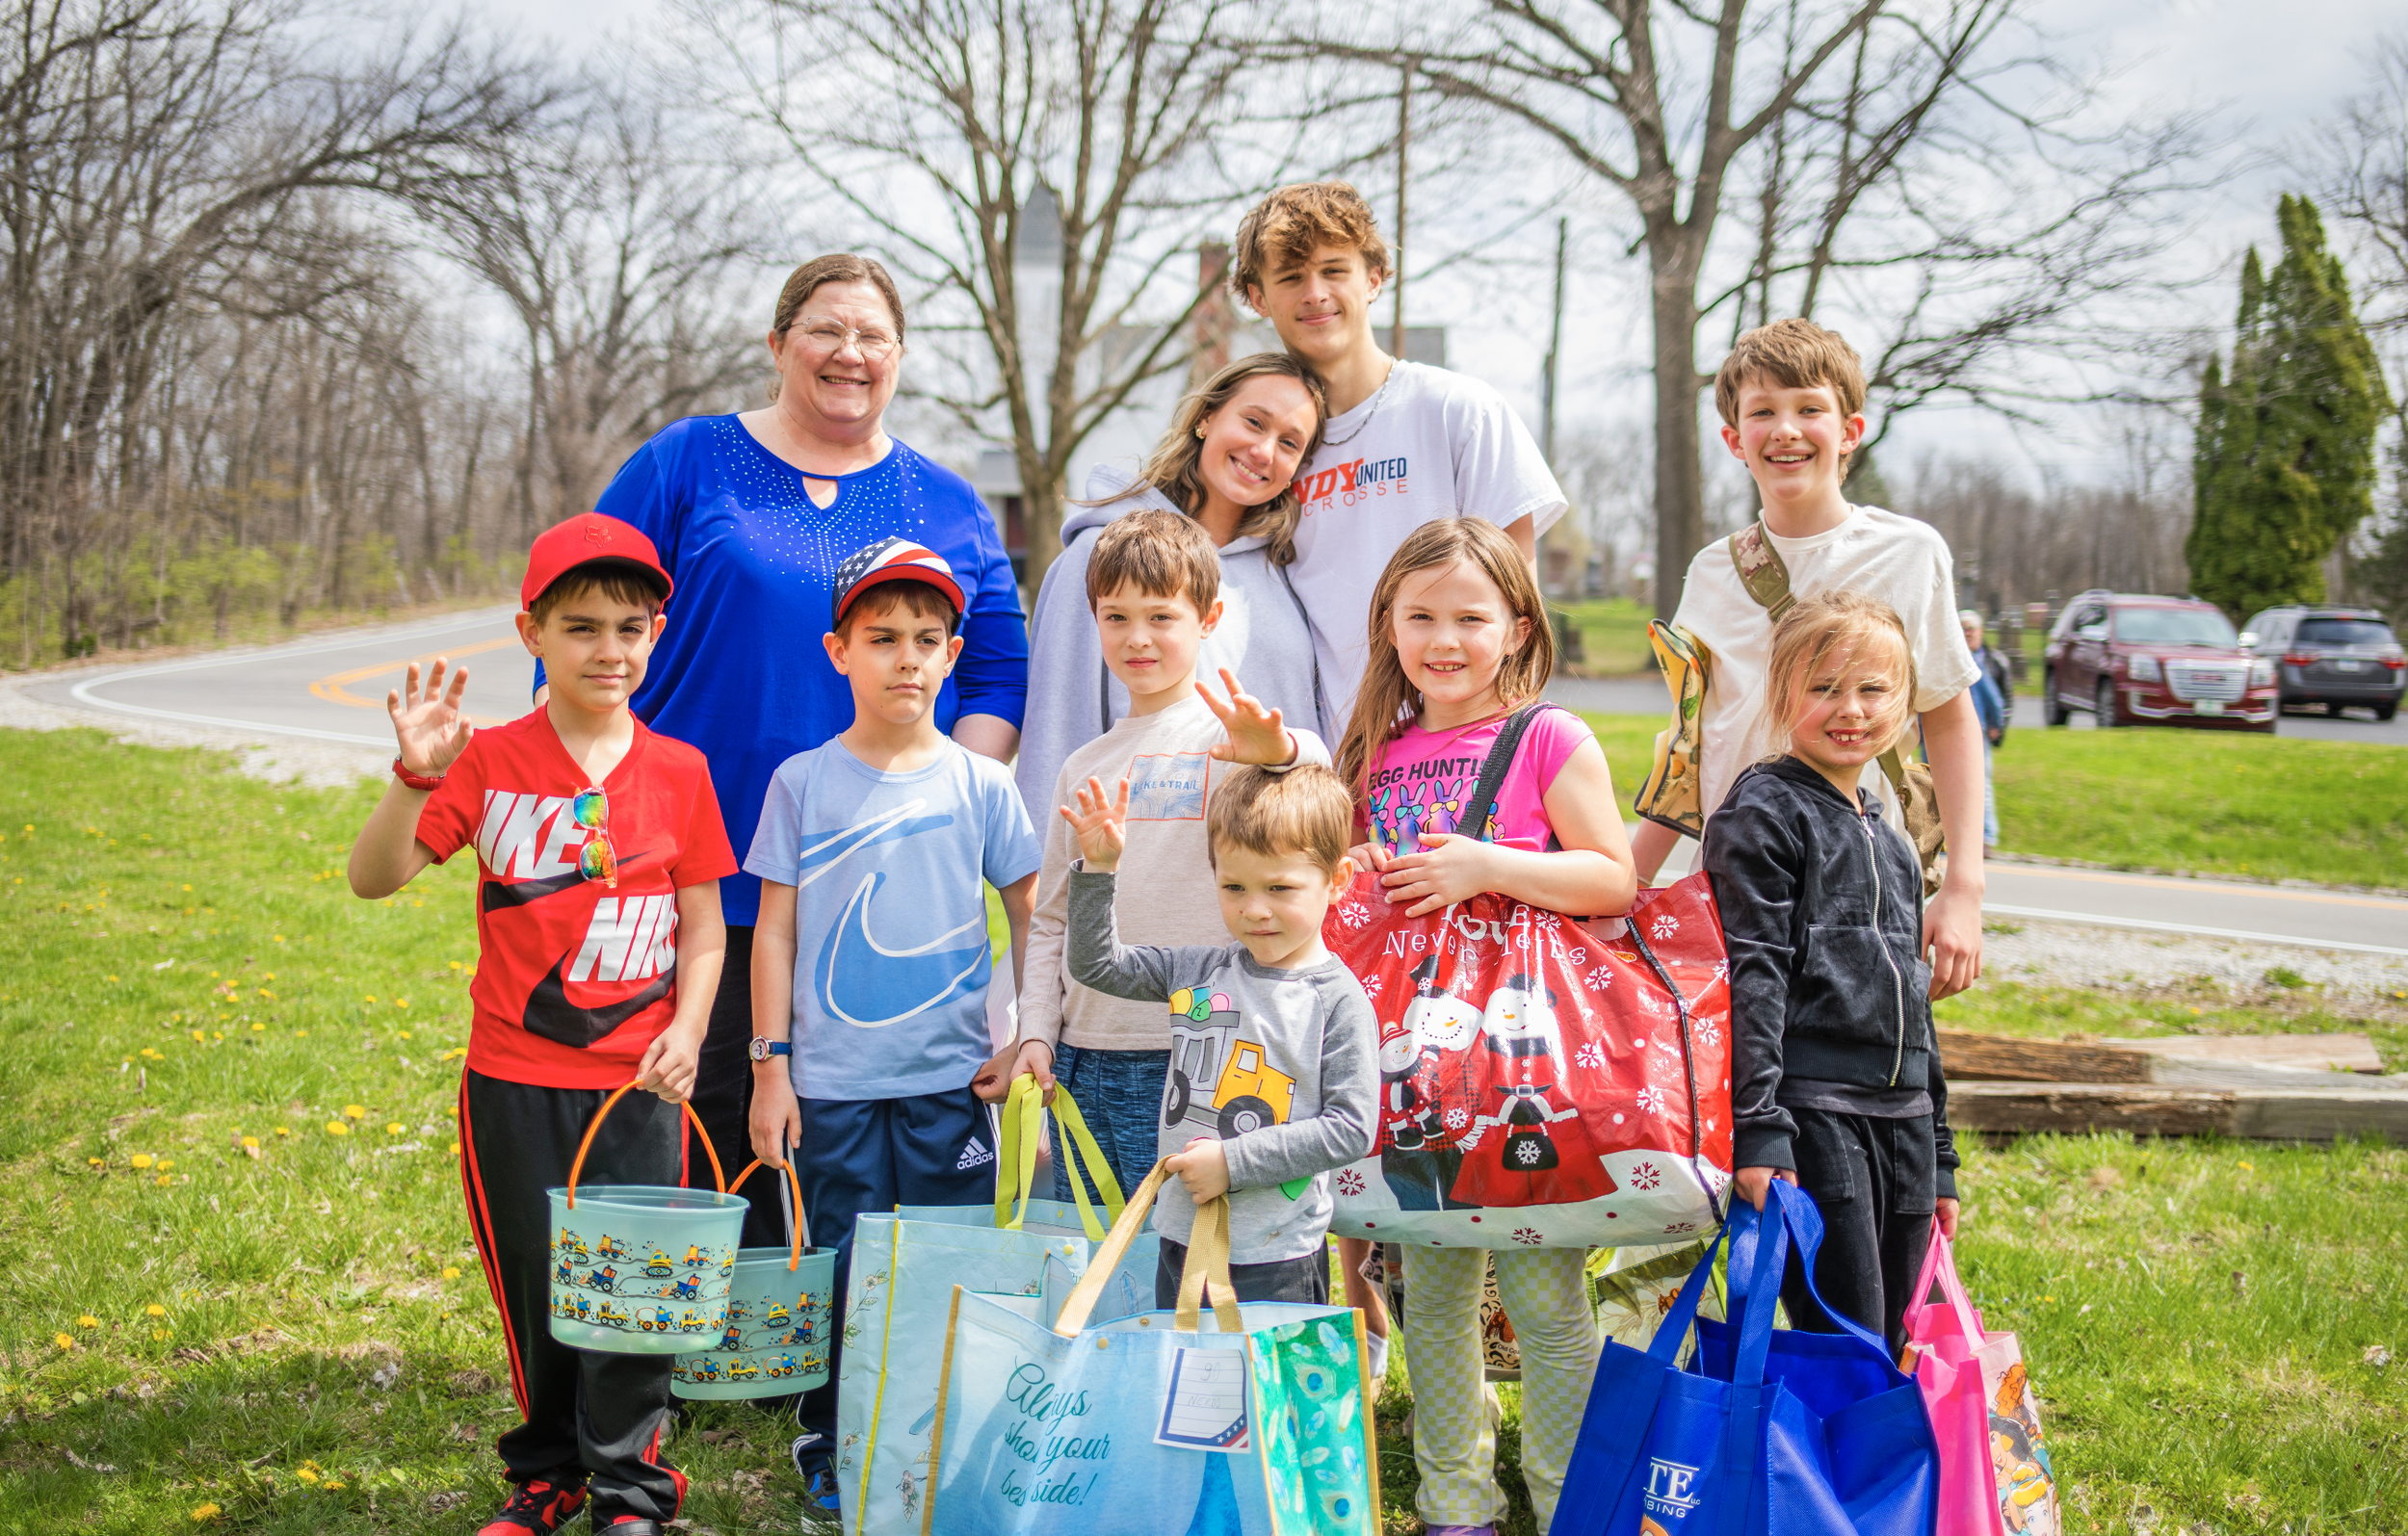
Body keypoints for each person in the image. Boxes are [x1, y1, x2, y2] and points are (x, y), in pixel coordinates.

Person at [539, 253, 1029, 1273]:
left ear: (900, 358)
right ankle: (669, 1329)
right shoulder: (690, 462)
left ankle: (809, 1330)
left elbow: (996, 674)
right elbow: (583, 621)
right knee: (690, 1102)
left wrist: (927, 797)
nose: (849, 353)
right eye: (824, 329)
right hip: (686, 865)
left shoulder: (946, 502)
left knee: (840, 1115)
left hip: (873, 884)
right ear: (777, 345)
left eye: (873, 337)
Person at [1231, 175, 1569, 1372]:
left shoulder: (1454, 410)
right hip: (1322, 768)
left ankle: (1493, 1306)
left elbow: (1512, 593)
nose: (1316, 295)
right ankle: (1361, 1316)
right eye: (1289, 277)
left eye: (1337, 269)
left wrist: (1506, 761)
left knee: (1454, 1044)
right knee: (1331, 1038)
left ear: (1375, 276)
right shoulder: (1278, 430)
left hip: (1454, 767)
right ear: (1259, 299)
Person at [349, 513, 736, 1536]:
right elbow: (372, 877)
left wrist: (691, 1027)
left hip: (638, 1086)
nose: (611, 649)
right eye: (582, 627)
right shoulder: (488, 762)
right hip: (513, 1079)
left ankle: (630, 1489)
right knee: (539, 1285)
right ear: (531, 633)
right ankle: (551, 1471)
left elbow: (704, 925)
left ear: (656, 633)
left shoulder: (681, 770)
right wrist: (416, 774)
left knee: (632, 1291)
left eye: (632, 626)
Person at [1335, 518, 1637, 1536]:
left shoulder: (1548, 735)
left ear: (1516, 626)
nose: (1444, 638)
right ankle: (1453, 1500)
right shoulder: (1375, 747)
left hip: (1524, 1071)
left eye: (1470, 616)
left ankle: (1566, 1497)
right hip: (1413, 1070)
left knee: (1548, 1295)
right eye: (1420, 615)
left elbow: (1611, 877)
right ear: (1387, 623)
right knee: (1431, 1291)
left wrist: (1488, 863)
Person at [742, 539, 1043, 1517]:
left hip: (952, 1085)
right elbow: (775, 931)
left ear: (953, 653)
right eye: (882, 638)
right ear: (839, 650)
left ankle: (938, 1433)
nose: (906, 657)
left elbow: (1032, 910)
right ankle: (835, 1438)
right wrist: (770, 1067)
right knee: (843, 1265)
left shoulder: (981, 785)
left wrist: (1026, 1031)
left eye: (926, 637)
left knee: (949, 1264)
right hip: (829, 1086)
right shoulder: (801, 783)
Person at [1628, 319, 1986, 1002]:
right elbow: (1691, 750)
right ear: (1735, 440)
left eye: (1809, 409)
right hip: (1734, 888)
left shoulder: (1910, 554)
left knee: (1860, 1081)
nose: (1785, 429)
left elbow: (1948, 717)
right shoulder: (1711, 573)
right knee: (1737, 1089)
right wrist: (1628, 887)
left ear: (1849, 430)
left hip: (1865, 888)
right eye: (1762, 412)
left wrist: (1964, 886)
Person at [1007, 508, 1333, 1210]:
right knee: (1097, 1261)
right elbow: (1052, 921)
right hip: (1085, 1054)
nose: (1137, 638)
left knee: (1197, 1259)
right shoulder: (1082, 766)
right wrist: (1035, 1029)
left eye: (1160, 616)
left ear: (1208, 617)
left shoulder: (1233, 740)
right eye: (1115, 617)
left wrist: (1277, 754)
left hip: (1205, 1047)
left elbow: (1318, 775)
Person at [1705, 590, 1964, 1356]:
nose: (1850, 708)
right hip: (1816, 1117)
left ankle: (1882, 1476)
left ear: (1905, 700)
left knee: (1902, 1334)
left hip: (1906, 1121)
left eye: (1872, 688)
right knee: (1843, 1337)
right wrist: (1760, 1132)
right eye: (1823, 687)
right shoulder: (1765, 813)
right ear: (1783, 694)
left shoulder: (1891, 837)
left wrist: (1941, 1154)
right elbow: (1753, 981)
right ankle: (1825, 1474)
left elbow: (1917, 1003)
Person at [1059, 761, 1377, 1308]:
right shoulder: (1199, 973)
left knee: (1264, 1392)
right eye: (1234, 886)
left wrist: (1233, 1163)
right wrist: (1099, 870)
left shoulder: (1336, 1000)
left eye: (1280, 888)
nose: (1254, 909)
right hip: (1181, 1238)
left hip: (1275, 1258)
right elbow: (1099, 967)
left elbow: (1351, 1129)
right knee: (1189, 1382)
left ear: (1338, 880)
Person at [1015, 351, 1331, 823]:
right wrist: (1043, 884)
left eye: (1289, 443)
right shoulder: (1101, 551)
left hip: (1268, 873)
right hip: (1140, 862)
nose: (1264, 451)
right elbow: (1056, 725)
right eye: (1253, 422)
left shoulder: (1285, 572)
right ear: (1206, 418)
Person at [1963, 610, 2007, 851]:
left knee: (1980, 785)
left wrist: (1996, 725)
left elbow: (1996, 698)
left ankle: (1987, 836)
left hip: (1974, 732)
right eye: (1962, 629)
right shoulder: (1950, 659)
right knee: (1933, 784)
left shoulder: (1982, 661)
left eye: (1971, 629)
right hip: (1934, 733)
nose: (1967, 633)